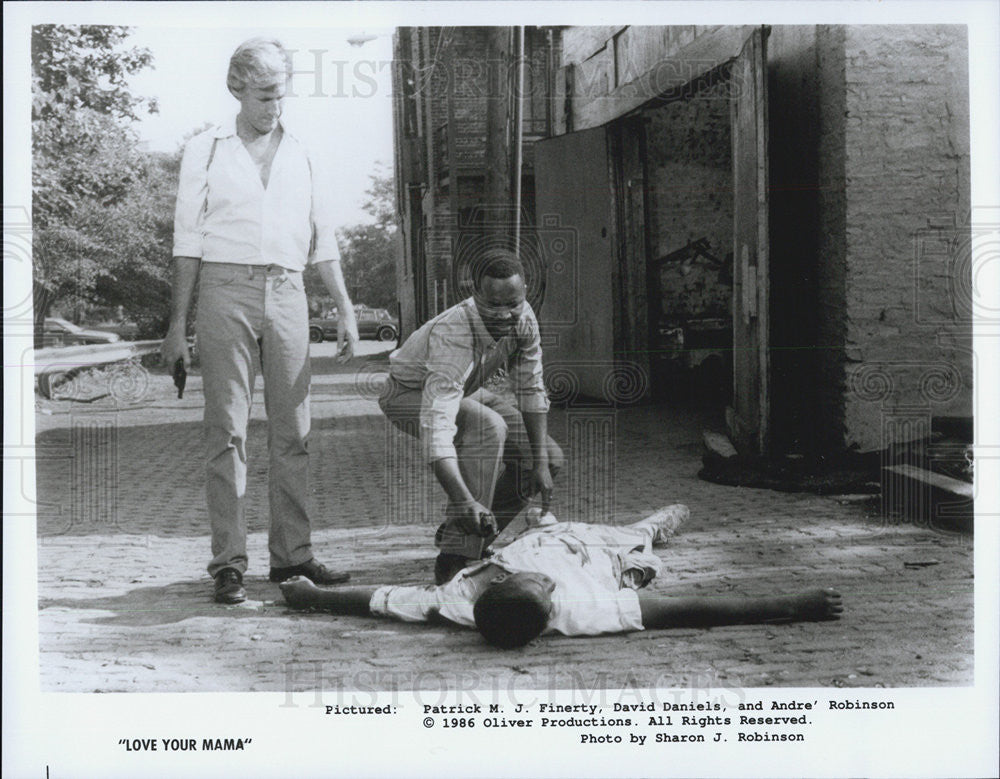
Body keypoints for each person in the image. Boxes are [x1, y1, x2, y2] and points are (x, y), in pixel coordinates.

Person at [161, 38, 359, 604]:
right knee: (226, 430)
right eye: (266, 95)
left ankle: (292, 557)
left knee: (294, 430)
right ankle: (228, 562)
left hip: (289, 289)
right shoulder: (205, 149)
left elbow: (325, 238)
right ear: (237, 90)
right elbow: (186, 242)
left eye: (282, 94)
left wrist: (344, 308)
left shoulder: (303, 150)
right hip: (224, 291)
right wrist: (178, 325)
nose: (277, 105)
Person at [279, 505, 844, 648]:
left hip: (540, 539)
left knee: (538, 517)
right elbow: (690, 611)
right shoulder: (584, 611)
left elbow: (376, 598)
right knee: (643, 537)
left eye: (534, 583)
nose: (546, 585)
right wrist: (791, 604)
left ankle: (542, 518)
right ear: (552, 614)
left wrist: (312, 598)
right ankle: (660, 524)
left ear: (497, 585)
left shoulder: (454, 600)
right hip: (604, 555)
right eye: (547, 593)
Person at [380, 249, 564, 584]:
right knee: (486, 426)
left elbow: (531, 389)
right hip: (407, 393)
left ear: (524, 294)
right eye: (494, 305)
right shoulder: (454, 333)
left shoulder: (524, 317)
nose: (506, 315)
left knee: (548, 458)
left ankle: (470, 535)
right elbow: (438, 424)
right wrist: (462, 498)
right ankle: (455, 557)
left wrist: (537, 463)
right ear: (475, 296)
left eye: (514, 303)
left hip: (467, 390)